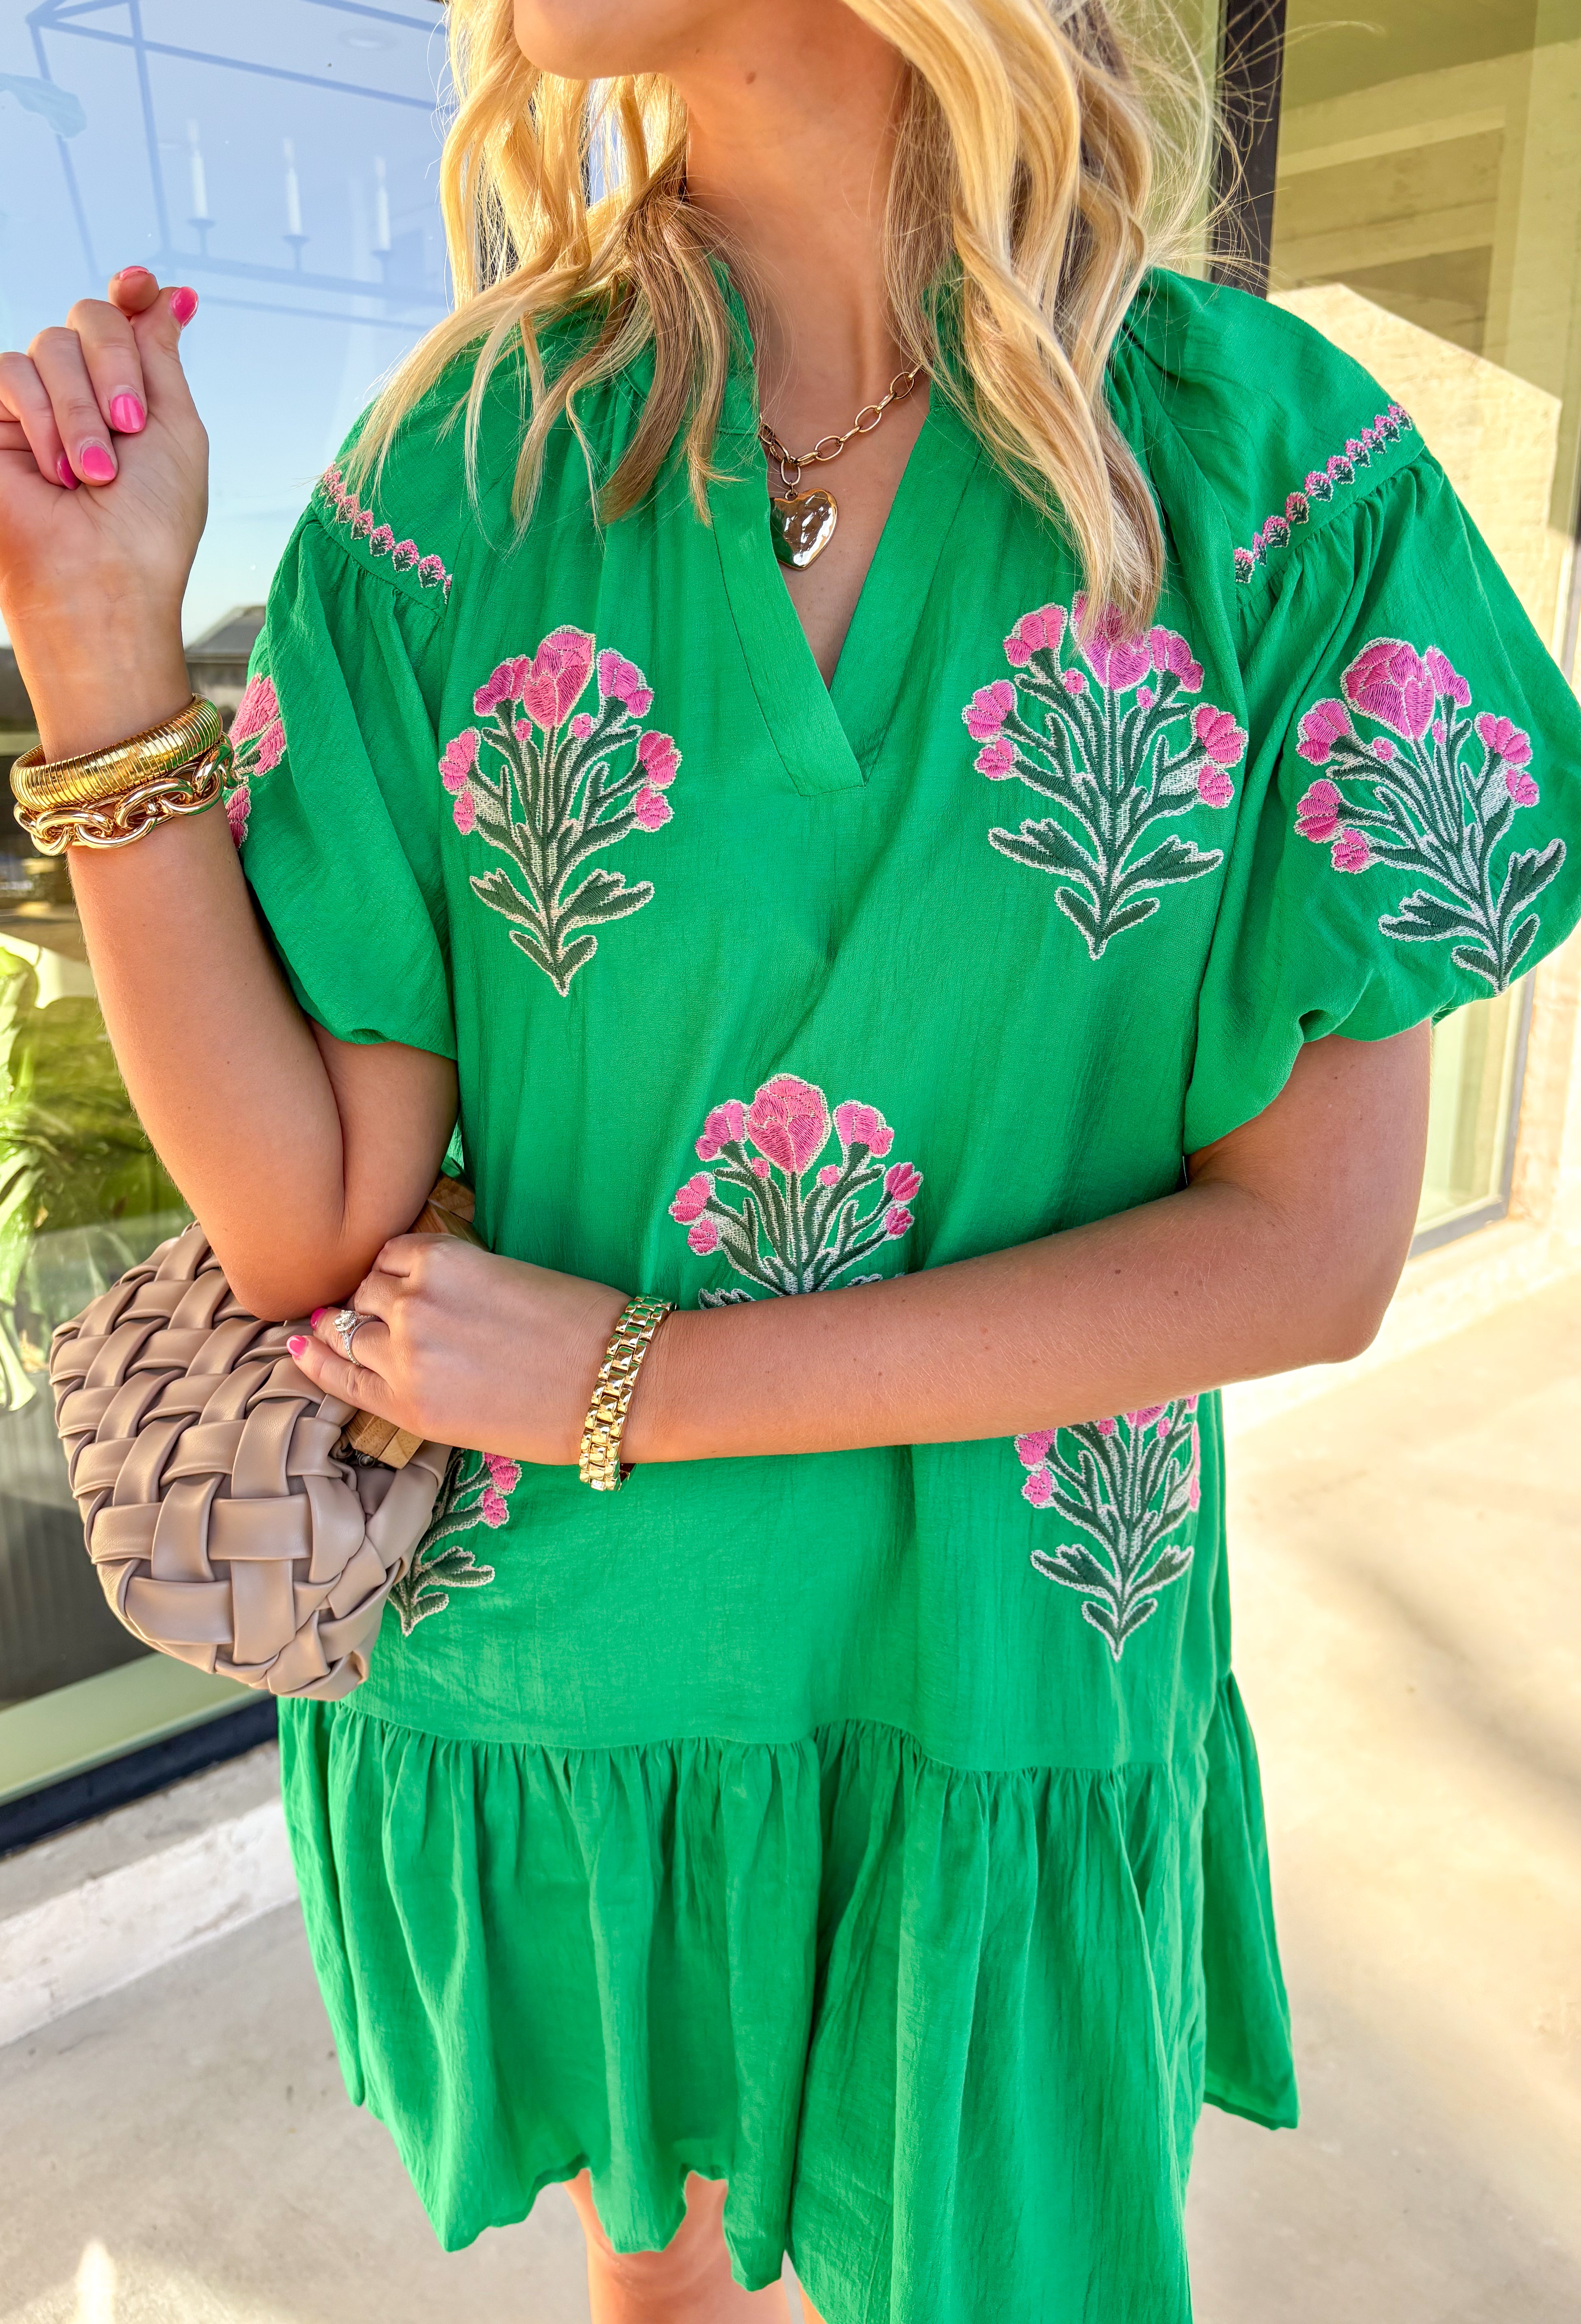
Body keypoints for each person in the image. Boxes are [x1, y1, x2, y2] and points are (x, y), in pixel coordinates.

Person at [2, 1, 1578, 2317]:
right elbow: (309, 1216)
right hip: (573, 1684)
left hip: (1007, 1675)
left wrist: (629, 1378)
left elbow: (1311, 1258)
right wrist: (106, 648)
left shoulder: (1269, 471)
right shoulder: (461, 479)